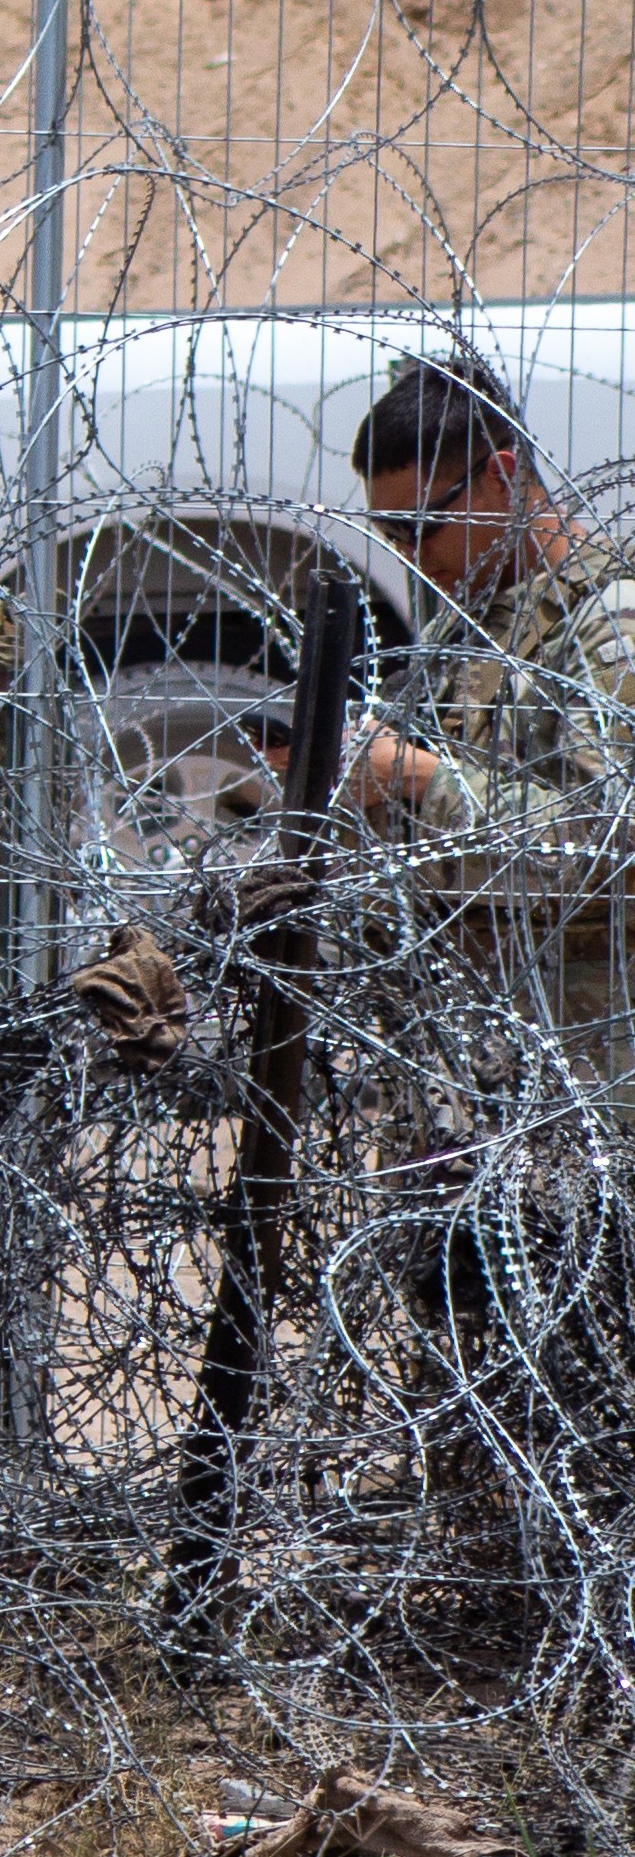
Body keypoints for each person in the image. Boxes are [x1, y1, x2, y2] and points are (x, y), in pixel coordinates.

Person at [310, 353, 635, 1564]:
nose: (408, 556)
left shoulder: (603, 624)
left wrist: (424, 783)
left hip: (593, 1084)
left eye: (423, 524)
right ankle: (509, 1602)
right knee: (481, 1382)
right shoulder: (474, 635)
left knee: (590, 1391)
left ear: (501, 476)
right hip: (487, 1084)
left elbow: (612, 840)